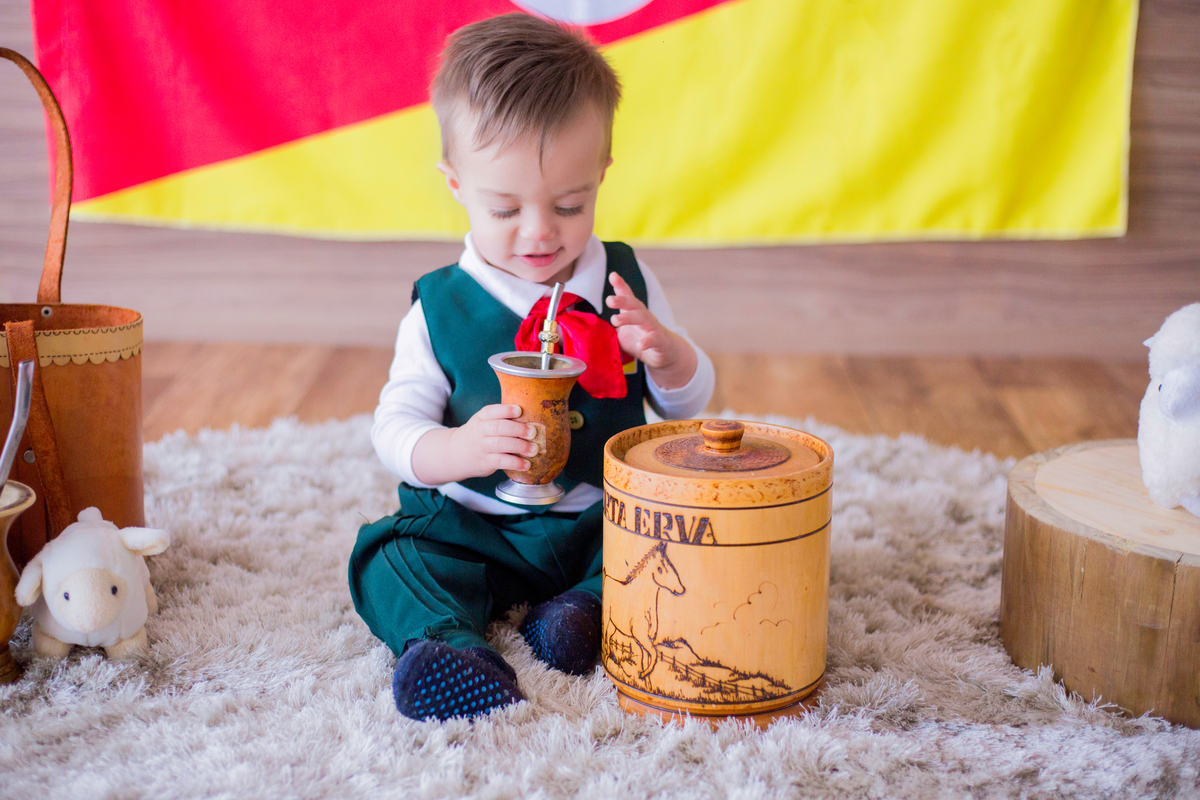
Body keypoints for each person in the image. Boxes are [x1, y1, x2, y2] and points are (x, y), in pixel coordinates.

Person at [348, 12, 714, 721]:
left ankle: (581, 613)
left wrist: (669, 355)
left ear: (601, 175)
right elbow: (394, 424)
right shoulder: (439, 305)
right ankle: (448, 645)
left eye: (570, 204)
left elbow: (686, 407)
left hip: (599, 519)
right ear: (456, 185)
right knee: (386, 556)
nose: (541, 231)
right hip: (472, 525)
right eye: (506, 207)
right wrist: (456, 449)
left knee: (677, 542)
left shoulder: (622, 283)